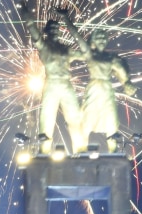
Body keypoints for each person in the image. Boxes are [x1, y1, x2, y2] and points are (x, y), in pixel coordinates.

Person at [57, 8, 137, 153]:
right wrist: (66, 19)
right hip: (93, 88)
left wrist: (127, 82)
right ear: (93, 40)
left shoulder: (111, 58)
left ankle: (113, 151)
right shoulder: (89, 54)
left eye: (103, 37)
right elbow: (77, 37)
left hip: (107, 89)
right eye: (98, 37)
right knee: (87, 119)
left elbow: (121, 69)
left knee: (111, 120)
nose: (101, 40)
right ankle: (81, 149)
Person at [14, 0, 84, 154]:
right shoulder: (43, 47)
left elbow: (86, 51)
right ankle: (44, 152)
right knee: (46, 122)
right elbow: (31, 26)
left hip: (66, 85)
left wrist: (66, 19)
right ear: (46, 31)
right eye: (51, 29)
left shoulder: (67, 50)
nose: (54, 31)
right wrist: (23, 3)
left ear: (60, 32)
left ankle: (81, 150)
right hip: (51, 84)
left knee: (74, 120)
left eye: (57, 29)